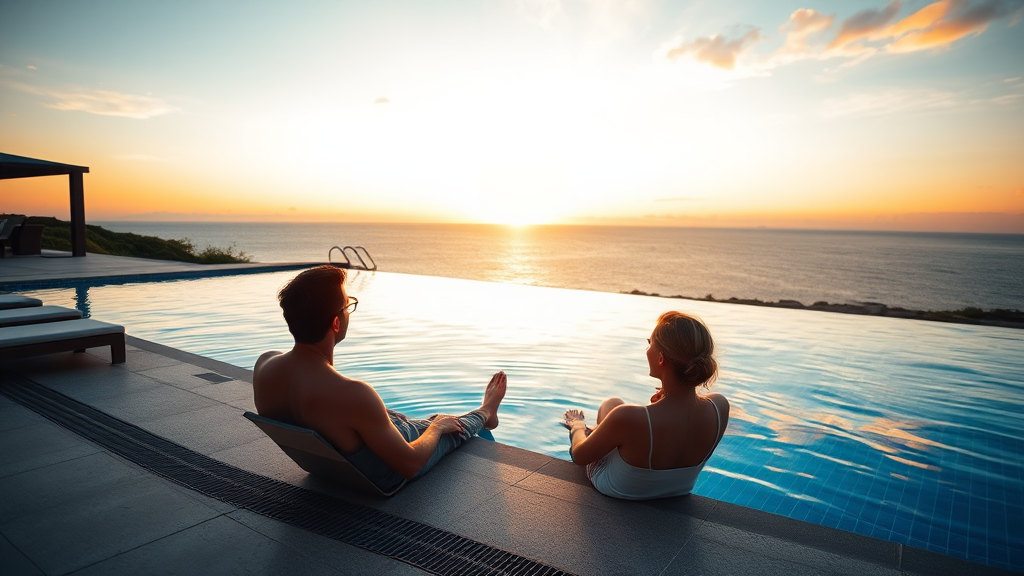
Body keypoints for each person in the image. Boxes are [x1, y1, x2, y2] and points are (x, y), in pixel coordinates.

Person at [253, 265, 507, 493]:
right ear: (336, 324)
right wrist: (437, 428)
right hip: (385, 470)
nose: (349, 310)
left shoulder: (264, 366)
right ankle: (487, 412)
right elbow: (410, 465)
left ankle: (425, 421)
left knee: (403, 419)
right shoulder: (352, 394)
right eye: (347, 305)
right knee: (447, 425)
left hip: (336, 462)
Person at [562, 311, 729, 500]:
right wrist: (668, 393)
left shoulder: (628, 417)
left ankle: (593, 432)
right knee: (613, 404)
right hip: (678, 490)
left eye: (650, 344)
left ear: (660, 358)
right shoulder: (719, 407)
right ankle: (603, 434)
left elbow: (580, 457)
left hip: (621, 489)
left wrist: (576, 425)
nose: (647, 350)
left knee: (611, 407)